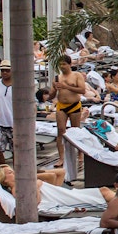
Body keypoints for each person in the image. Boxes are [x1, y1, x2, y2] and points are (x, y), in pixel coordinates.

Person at [50, 55, 87, 183]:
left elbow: (82, 90)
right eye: (60, 64)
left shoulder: (76, 76)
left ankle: (80, 154)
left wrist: (67, 87)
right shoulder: (57, 78)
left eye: (64, 64)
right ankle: (61, 157)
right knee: (61, 131)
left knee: (76, 130)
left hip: (74, 105)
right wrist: (54, 88)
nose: (62, 67)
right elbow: (51, 95)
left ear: (69, 64)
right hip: (61, 106)